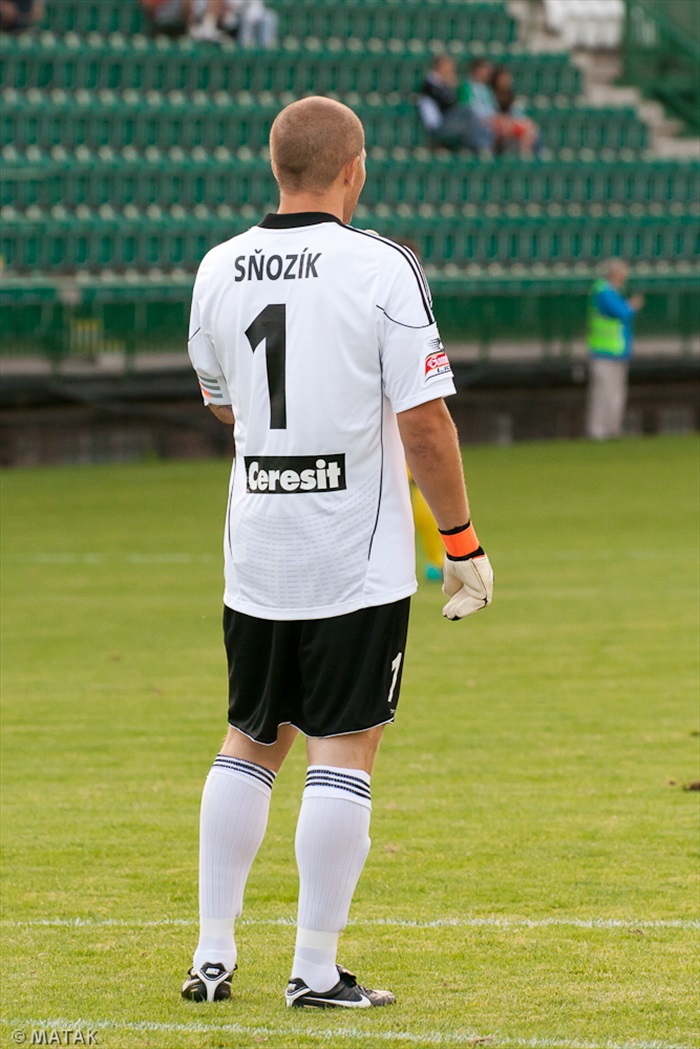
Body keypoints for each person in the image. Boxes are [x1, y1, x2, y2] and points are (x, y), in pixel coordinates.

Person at [183, 95, 494, 1009]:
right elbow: (426, 421)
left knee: (251, 734)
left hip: (257, 546)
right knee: (345, 744)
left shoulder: (217, 267)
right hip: (350, 552)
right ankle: (314, 968)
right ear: (355, 167)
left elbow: (223, 403)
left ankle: (211, 952)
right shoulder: (383, 266)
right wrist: (461, 539)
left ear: (276, 168)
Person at [585, 259, 644, 440]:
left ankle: (613, 428)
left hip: (618, 351)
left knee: (616, 393)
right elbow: (622, 312)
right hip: (603, 351)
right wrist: (632, 305)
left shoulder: (615, 292)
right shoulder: (603, 291)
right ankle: (597, 430)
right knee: (603, 392)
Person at [417, 54, 494, 153]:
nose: (450, 71)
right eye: (448, 67)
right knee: (468, 112)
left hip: (447, 121)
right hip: (438, 126)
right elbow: (448, 103)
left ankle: (481, 147)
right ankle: (482, 147)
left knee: (474, 121)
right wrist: (451, 88)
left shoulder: (441, 84)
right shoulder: (430, 84)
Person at [489, 65, 541, 158]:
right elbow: (490, 112)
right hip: (497, 124)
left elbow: (517, 113)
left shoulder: (511, 95)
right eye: (503, 79)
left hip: (510, 123)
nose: (506, 81)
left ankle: (526, 154)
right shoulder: (490, 94)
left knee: (531, 129)